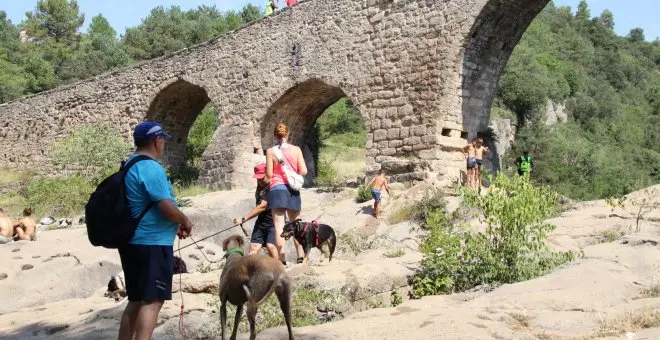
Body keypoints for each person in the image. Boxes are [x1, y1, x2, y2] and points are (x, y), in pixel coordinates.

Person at [117, 121, 194, 340]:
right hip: (152, 243)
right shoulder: (150, 167)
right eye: (163, 140)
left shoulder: (129, 164)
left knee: (136, 299)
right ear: (156, 140)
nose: (164, 144)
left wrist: (174, 222)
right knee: (152, 301)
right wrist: (184, 220)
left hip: (133, 242)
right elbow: (166, 206)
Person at [265, 123, 307, 265]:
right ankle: (301, 257)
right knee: (296, 225)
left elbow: (269, 174)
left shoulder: (271, 151)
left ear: (275, 135)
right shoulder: (296, 150)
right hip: (293, 190)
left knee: (278, 226)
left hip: (277, 189)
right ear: (288, 135)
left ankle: (282, 259)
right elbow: (304, 171)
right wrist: (292, 172)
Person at [233, 163, 279, 260]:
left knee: (271, 246)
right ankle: (248, 269)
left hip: (274, 222)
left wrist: (243, 219)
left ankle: (278, 268)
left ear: (268, 173)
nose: (260, 180)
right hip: (261, 221)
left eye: (262, 177)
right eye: (258, 178)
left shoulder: (273, 186)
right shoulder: (260, 185)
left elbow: (262, 206)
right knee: (254, 247)